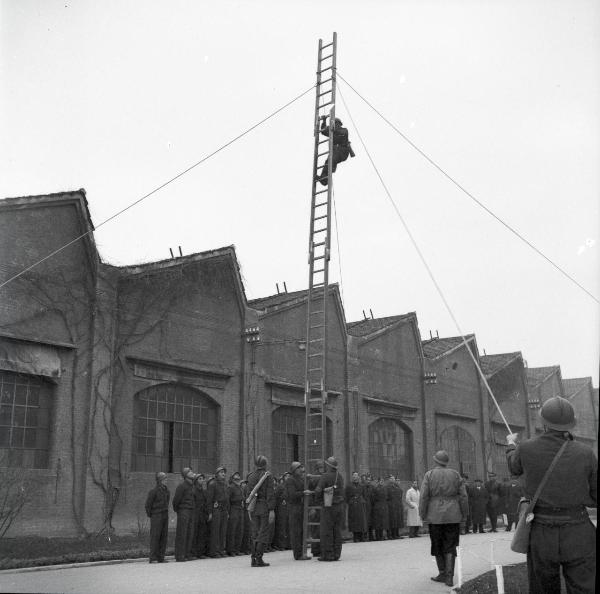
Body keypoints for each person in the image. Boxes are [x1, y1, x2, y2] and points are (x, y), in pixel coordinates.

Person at [506, 396, 597, 594]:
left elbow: (514, 467)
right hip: (578, 530)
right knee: (585, 588)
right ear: (570, 424)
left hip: (541, 532)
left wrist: (512, 446)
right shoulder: (586, 452)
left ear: (543, 422)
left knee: (542, 589)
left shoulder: (526, 448)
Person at [419, 450, 468, 588]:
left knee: (437, 544)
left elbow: (423, 496)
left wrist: (422, 514)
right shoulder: (455, 474)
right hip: (453, 515)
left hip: (435, 516)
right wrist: (464, 515)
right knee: (451, 545)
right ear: (446, 462)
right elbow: (464, 497)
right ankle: (449, 576)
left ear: (435, 461)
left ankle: (442, 573)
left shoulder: (429, 474)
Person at [313, 456, 345, 561]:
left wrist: (318, 501)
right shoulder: (339, 477)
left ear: (329, 466)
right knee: (337, 530)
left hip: (328, 506)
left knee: (326, 531)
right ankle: (337, 554)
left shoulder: (325, 476)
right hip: (339, 506)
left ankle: (328, 554)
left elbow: (318, 491)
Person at [246, 455, 276, 567]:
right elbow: (270, 493)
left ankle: (253, 558)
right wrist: (272, 509)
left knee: (255, 533)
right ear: (265, 464)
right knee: (263, 533)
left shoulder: (250, 476)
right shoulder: (268, 476)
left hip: (253, 507)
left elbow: (248, 492)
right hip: (264, 506)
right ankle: (259, 558)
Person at [317, 115, 355, 186]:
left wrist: (332, 129)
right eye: (335, 124)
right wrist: (324, 121)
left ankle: (325, 179)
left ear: (339, 124)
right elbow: (323, 131)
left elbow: (343, 133)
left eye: (336, 123)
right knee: (328, 161)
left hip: (343, 151)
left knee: (332, 159)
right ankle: (324, 179)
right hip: (336, 151)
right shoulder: (332, 132)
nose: (336, 125)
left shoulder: (344, 130)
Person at [284, 461, 311, 560]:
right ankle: (298, 554)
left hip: (300, 507)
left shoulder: (300, 479)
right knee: (296, 531)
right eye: (299, 468)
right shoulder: (290, 480)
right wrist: (303, 493)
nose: (301, 470)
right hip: (294, 508)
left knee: (301, 531)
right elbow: (292, 495)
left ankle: (302, 552)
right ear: (294, 470)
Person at [145, 471, 170, 563]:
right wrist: (152, 515)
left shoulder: (167, 491)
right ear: (159, 480)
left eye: (166, 478)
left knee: (163, 536)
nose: (166, 480)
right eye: (164, 479)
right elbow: (148, 505)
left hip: (164, 515)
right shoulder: (153, 491)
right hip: (156, 515)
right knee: (155, 536)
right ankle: (153, 558)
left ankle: (161, 557)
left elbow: (167, 502)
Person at [172, 468, 195, 561]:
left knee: (190, 533)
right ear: (185, 475)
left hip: (191, 511)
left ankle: (187, 554)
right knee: (182, 533)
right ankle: (180, 555)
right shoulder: (181, 486)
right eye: (190, 472)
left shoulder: (192, 486)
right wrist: (179, 511)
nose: (192, 473)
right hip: (184, 511)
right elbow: (176, 501)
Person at [206, 466, 230, 558]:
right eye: (221, 472)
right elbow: (209, 499)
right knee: (215, 531)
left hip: (224, 509)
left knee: (222, 531)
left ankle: (220, 550)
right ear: (216, 474)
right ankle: (214, 551)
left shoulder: (225, 484)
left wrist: (227, 511)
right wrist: (210, 512)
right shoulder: (213, 484)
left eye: (224, 472)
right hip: (216, 509)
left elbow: (227, 499)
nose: (223, 474)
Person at [345, 471, 367, 542]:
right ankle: (355, 537)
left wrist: (362, 500)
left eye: (356, 476)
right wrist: (350, 501)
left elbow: (364, 495)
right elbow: (346, 496)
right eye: (354, 476)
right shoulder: (349, 486)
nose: (355, 477)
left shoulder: (361, 485)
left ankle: (361, 536)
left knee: (361, 521)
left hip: (360, 505)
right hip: (353, 505)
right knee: (354, 521)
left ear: (358, 477)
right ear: (352, 477)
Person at [191, 473, 210, 559]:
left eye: (202, 479)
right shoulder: (193, 491)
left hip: (202, 514)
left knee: (202, 533)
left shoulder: (204, 491)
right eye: (200, 479)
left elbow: (206, 503)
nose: (202, 480)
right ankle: (193, 553)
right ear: (196, 481)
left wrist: (207, 513)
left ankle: (200, 552)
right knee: (195, 533)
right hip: (195, 514)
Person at [226, 471, 245, 556]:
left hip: (240, 509)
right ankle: (231, 550)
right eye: (236, 477)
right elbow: (228, 500)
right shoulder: (231, 487)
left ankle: (237, 549)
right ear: (232, 479)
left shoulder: (239, 488)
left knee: (239, 529)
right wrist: (228, 512)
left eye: (238, 477)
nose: (237, 479)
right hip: (233, 508)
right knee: (232, 530)